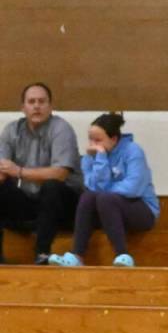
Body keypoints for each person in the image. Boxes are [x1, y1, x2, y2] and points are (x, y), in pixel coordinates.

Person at [50, 112, 159, 268]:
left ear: (113, 139)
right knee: (88, 197)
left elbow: (134, 188)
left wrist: (105, 191)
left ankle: (122, 254)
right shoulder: (90, 156)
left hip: (141, 209)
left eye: (98, 140)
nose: (93, 144)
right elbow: (92, 187)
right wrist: (100, 158)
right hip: (108, 209)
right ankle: (77, 255)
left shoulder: (133, 151)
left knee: (104, 198)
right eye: (91, 139)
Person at [0, 82, 83, 265]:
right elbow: (3, 171)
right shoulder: (11, 130)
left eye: (41, 101)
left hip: (65, 205)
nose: (36, 106)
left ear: (50, 106)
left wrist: (19, 171)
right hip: (32, 203)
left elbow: (60, 174)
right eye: (31, 102)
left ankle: (42, 253)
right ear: (23, 107)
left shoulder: (61, 129)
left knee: (51, 186)